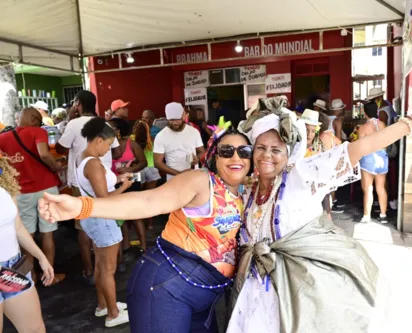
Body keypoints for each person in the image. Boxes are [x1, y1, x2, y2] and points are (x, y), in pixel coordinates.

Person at [225, 97, 412, 333]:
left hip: (299, 295)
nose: (267, 156)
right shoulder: (249, 189)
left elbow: (361, 147)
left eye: (276, 150)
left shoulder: (302, 176)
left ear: (289, 154)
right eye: (261, 148)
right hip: (252, 295)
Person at [38, 125, 253, 333]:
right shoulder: (201, 181)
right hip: (167, 286)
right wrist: (81, 207)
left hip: (206, 293)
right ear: (215, 156)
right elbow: (148, 201)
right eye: (227, 151)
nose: (236, 158)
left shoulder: (246, 190)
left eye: (244, 152)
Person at [56, 90, 122, 285]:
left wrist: (69, 119)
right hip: (106, 178)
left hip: (81, 182)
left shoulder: (73, 124)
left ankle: (89, 269)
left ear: (78, 104)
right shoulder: (105, 124)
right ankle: (113, 265)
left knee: (84, 228)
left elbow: (60, 148)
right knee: (109, 220)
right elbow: (117, 152)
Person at [75, 117, 133, 327]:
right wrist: (124, 187)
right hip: (102, 218)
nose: (108, 150)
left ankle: (103, 306)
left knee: (100, 265)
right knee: (108, 269)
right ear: (99, 140)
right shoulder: (94, 163)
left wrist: (117, 179)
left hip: (91, 216)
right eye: (108, 145)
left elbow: (97, 186)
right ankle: (113, 314)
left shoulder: (82, 158)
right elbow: (105, 198)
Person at [0, 107, 65, 286]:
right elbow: (44, 153)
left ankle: (30, 277)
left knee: (26, 235)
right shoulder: (38, 131)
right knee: (47, 234)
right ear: (36, 119)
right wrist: (56, 167)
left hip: (20, 191)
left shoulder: (3, 137)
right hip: (46, 189)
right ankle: (49, 275)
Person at [0, 152, 54, 332]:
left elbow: (18, 227)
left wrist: (41, 257)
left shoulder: (4, 181)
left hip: (14, 265)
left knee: (36, 329)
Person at [108, 118, 147, 252]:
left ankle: (143, 246)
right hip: (114, 183)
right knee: (120, 217)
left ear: (118, 130)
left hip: (131, 182)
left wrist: (129, 170)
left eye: (111, 126)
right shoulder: (106, 145)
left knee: (136, 215)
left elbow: (143, 162)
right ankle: (126, 245)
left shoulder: (132, 144)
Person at [154, 102, 205, 181]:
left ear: (183, 117)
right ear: (167, 118)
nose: (175, 123)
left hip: (193, 177)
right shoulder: (161, 136)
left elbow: (202, 152)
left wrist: (197, 158)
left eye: (177, 119)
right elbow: (157, 162)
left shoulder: (194, 132)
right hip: (173, 179)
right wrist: (179, 174)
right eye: (172, 120)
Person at [357, 102, 389, 224]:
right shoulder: (382, 125)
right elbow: (387, 142)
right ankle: (383, 215)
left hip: (368, 159)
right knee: (381, 188)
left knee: (368, 189)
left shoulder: (363, 128)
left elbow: (360, 146)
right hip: (382, 158)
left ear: (365, 113)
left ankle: (367, 216)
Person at [131, 120, 162, 229]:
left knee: (138, 197)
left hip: (138, 170)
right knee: (151, 198)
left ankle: (138, 221)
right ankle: (150, 224)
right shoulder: (152, 140)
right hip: (152, 170)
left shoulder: (131, 140)